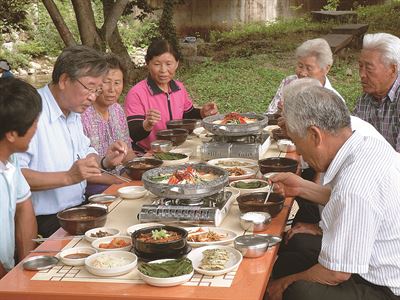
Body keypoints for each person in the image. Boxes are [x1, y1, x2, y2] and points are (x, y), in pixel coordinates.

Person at [266, 86, 400, 300]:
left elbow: (336, 273)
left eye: (298, 143)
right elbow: (343, 201)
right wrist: (301, 186)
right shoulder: (365, 145)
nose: (299, 153)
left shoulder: (355, 186)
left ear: (314, 135)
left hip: (387, 288)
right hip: (372, 259)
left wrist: (281, 285)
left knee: (298, 292)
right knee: (296, 250)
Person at [16, 46, 128, 238]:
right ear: (64, 80)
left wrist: (104, 162)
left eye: (97, 90)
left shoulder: (72, 110)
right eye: (90, 88)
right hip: (42, 221)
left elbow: (85, 151)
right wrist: (68, 177)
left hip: (79, 210)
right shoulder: (30, 110)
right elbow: (13, 176)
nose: (93, 97)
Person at [125, 39, 218, 151]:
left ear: (177, 64)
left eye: (169, 64)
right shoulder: (137, 93)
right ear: (148, 63)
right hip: (147, 154)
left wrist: (202, 113)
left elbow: (186, 114)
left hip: (177, 150)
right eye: (157, 64)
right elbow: (133, 133)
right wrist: (147, 124)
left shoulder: (179, 88)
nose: (163, 70)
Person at [0, 78, 41, 278]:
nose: (37, 130)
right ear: (11, 134)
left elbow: (24, 205)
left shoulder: (11, 159)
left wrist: (26, 268)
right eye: (34, 124)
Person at [266, 38, 342, 114]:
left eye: (309, 68)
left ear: (326, 68)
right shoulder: (289, 82)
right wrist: (279, 111)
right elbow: (269, 115)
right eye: (300, 66)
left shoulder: (334, 100)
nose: (302, 73)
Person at [353, 32, 400, 152]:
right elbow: (352, 143)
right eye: (360, 66)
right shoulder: (364, 100)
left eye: (369, 68)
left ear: (392, 69)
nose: (362, 75)